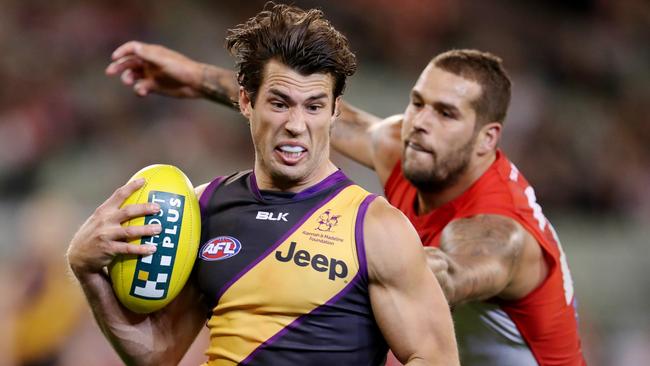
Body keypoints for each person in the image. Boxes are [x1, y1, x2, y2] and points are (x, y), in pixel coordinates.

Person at [106, 35, 587, 366]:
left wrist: (353, 254)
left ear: (487, 139)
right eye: (418, 102)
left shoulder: (500, 233)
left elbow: (445, 274)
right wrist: (194, 77)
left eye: (445, 113)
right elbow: (325, 113)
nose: (420, 121)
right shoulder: (411, 148)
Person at [68, 4, 459, 366]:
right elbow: (159, 353)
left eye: (314, 106)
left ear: (335, 111)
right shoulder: (203, 208)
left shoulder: (376, 227)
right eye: (279, 102)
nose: (296, 124)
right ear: (245, 101)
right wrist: (87, 270)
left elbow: (436, 358)